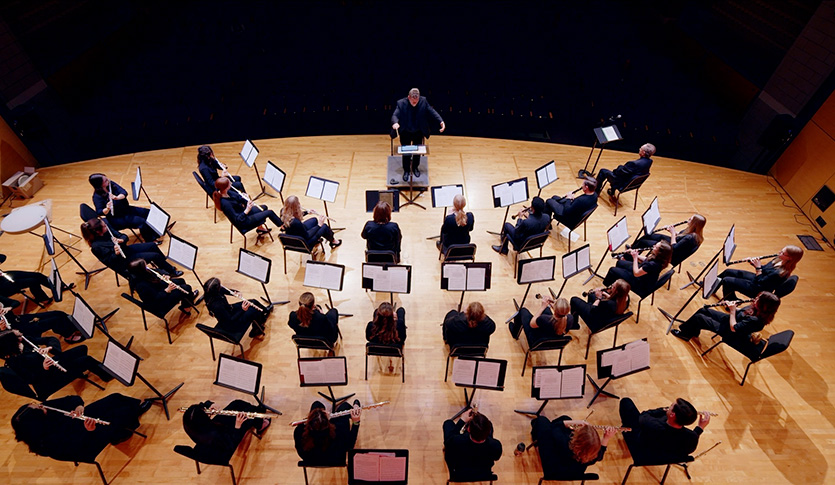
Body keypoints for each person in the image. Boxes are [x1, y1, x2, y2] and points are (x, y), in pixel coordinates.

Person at [12, 393, 151, 464]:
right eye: (39, 408)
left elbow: (70, 399)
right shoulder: (48, 444)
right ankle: (120, 434)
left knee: (114, 398)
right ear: (38, 421)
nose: (42, 406)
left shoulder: (43, 409)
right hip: (85, 442)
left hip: (78, 423)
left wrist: (78, 407)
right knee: (120, 415)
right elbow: (76, 448)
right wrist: (89, 431)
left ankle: (137, 408)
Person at [0, 329, 112, 398]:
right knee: (86, 360)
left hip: (52, 364)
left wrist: (49, 348)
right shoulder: (14, 362)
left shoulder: (25, 340)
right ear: (12, 343)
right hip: (48, 378)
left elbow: (50, 339)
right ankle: (107, 375)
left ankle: (79, 370)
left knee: (82, 348)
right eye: (18, 335)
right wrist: (44, 368)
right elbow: (32, 379)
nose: (21, 334)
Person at [80, 218, 182, 277]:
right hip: (123, 261)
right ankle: (171, 271)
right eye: (104, 226)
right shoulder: (96, 247)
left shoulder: (107, 230)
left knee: (151, 245)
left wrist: (122, 240)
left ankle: (164, 266)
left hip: (127, 250)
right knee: (154, 256)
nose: (106, 226)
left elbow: (122, 235)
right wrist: (116, 253)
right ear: (98, 232)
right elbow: (109, 261)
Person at [182, 399, 271, 464]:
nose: (207, 413)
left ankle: (258, 413)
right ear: (204, 421)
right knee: (248, 415)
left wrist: (209, 405)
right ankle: (260, 425)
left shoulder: (190, 425)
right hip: (227, 440)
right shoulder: (214, 436)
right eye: (205, 414)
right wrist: (237, 425)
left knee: (236, 404)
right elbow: (231, 443)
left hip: (216, 430)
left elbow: (199, 407)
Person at [619, 397, 709, 462]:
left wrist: (662, 410)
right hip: (665, 457)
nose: (668, 408)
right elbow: (689, 446)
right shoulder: (692, 437)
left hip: (643, 452)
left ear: (672, 415)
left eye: (670, 406)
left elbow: (644, 415)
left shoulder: (651, 424)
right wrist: (700, 427)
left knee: (626, 402)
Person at [672, 291, 780, 345]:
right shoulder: (756, 309)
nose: (755, 299)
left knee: (699, 317)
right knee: (703, 310)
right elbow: (742, 313)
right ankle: (693, 331)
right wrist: (733, 307)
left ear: (764, 305)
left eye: (758, 300)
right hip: (729, 320)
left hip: (729, 331)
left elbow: (734, 328)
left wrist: (732, 311)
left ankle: (685, 334)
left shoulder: (756, 321)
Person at [530, 416, 614, 478]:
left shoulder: (562, 440)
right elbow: (600, 455)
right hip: (572, 473)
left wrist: (578, 422)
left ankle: (535, 435)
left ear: (578, 438)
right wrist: (606, 438)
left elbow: (554, 427)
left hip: (551, 468)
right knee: (566, 418)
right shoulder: (593, 454)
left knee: (542, 421)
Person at [391, 88, 445, 181]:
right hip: (406, 132)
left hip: (418, 132)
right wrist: (395, 122)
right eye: (413, 102)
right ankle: (407, 170)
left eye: (416, 101)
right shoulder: (401, 103)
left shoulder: (423, 101)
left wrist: (441, 121)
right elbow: (395, 115)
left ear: (419, 98)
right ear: (409, 97)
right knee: (406, 153)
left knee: (418, 152)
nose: (415, 103)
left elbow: (432, 111)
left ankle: (415, 167)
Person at [88, 173, 158, 243]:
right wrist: (107, 208)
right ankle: (150, 240)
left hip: (125, 209)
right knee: (141, 222)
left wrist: (117, 197)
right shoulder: (97, 197)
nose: (108, 180)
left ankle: (156, 231)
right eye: (105, 181)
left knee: (147, 213)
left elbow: (124, 192)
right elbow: (99, 212)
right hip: (117, 218)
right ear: (99, 184)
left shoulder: (110, 184)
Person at [718, 245, 803, 300]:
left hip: (757, 289)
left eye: (783, 253)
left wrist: (758, 267)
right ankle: (711, 286)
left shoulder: (779, 273)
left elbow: (761, 281)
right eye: (781, 250)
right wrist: (753, 263)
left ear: (789, 258)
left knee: (727, 281)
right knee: (728, 272)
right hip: (758, 279)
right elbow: (765, 269)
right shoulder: (778, 260)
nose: (779, 253)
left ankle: (729, 300)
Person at [294, 399, 361, 466]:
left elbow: (300, 451)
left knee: (317, 404)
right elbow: (349, 445)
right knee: (344, 406)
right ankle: (355, 409)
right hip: (336, 459)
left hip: (310, 460)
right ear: (329, 422)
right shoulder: (338, 431)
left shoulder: (299, 431)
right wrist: (356, 422)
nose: (328, 412)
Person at [443, 409, 502, 481]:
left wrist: (462, 421)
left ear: (468, 429)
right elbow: (496, 458)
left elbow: (448, 442)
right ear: (489, 430)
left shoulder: (455, 442)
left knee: (448, 423)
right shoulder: (496, 445)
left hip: (459, 475)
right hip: (484, 475)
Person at [127, 259, 198, 316]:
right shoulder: (142, 286)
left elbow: (155, 276)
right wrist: (167, 290)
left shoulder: (145, 273)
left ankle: (187, 298)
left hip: (159, 289)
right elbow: (155, 298)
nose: (147, 266)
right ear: (141, 270)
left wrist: (165, 277)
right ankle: (186, 307)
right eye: (145, 266)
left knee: (181, 281)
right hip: (160, 303)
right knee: (187, 288)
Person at [203, 277, 270, 339]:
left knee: (253, 301)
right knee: (253, 310)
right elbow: (230, 320)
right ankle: (256, 329)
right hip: (232, 324)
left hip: (230, 310)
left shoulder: (211, 292)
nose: (221, 286)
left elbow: (225, 290)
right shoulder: (217, 306)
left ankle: (264, 312)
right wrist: (242, 310)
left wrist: (235, 292)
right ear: (216, 290)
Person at [213, 177, 280, 237]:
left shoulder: (228, 192)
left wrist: (245, 198)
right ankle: (283, 227)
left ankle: (260, 228)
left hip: (244, 212)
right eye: (229, 183)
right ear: (226, 187)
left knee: (264, 207)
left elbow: (239, 198)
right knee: (269, 212)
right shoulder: (226, 204)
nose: (231, 183)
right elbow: (238, 219)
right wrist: (247, 209)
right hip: (243, 222)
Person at [630, 214, 706, 267]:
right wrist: (672, 231)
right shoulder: (693, 231)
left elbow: (674, 248)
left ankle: (630, 256)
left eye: (690, 219)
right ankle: (633, 250)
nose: (688, 219)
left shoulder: (690, 238)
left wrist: (673, 233)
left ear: (694, 224)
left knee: (644, 242)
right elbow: (680, 235)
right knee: (649, 235)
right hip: (674, 244)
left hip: (671, 253)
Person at [602, 240, 672, 295]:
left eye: (655, 247)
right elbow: (646, 259)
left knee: (612, 270)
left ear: (660, 252)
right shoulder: (660, 259)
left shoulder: (653, 265)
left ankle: (608, 290)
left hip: (640, 285)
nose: (653, 246)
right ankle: (617, 286)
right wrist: (635, 254)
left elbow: (636, 273)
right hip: (643, 274)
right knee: (620, 263)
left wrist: (635, 258)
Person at [1, 302, 83, 345]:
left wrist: (9, 307)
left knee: (59, 313)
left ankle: (72, 328)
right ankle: (68, 336)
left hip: (21, 319)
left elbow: (15, 302)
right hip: (20, 330)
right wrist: (2, 329)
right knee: (55, 320)